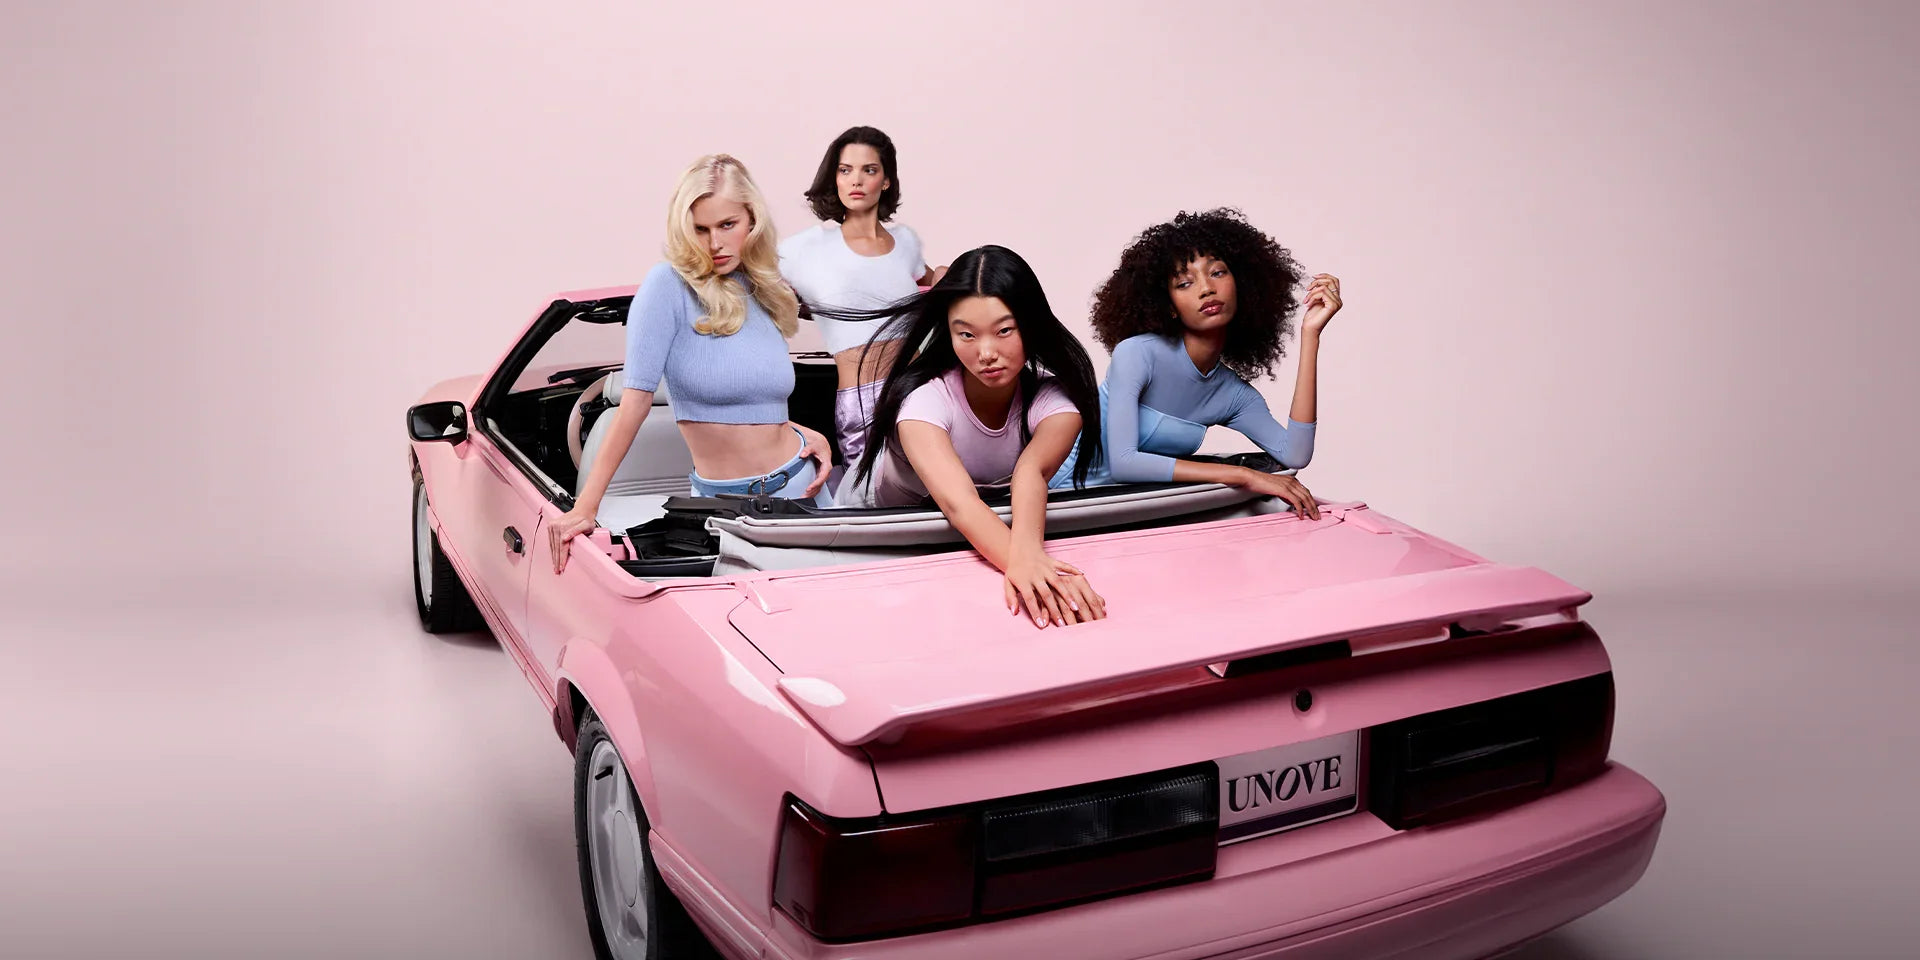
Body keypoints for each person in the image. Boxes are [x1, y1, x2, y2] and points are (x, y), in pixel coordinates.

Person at [548, 155, 833, 572]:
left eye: (727, 225)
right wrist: (585, 507)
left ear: (751, 220)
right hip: (724, 507)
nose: (714, 243)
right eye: (700, 229)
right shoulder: (666, 287)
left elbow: (758, 396)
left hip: (804, 486)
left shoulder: (764, 286)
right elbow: (634, 405)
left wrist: (804, 432)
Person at [832, 245, 1106, 628]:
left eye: (1004, 330)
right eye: (967, 334)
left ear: (1031, 324)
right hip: (867, 518)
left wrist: (1031, 560)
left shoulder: (1056, 400)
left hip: (955, 522)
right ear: (949, 332)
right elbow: (959, 503)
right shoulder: (924, 402)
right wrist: (1034, 571)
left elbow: (1031, 473)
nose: (987, 352)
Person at [1054, 208, 1343, 520]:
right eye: (1184, 283)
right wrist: (1240, 474)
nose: (1206, 288)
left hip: (1130, 510)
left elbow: (1295, 453)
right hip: (1060, 498)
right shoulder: (1137, 355)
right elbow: (1125, 462)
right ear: (1170, 307)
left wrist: (1310, 334)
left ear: (1242, 286)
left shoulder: (1232, 395)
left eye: (1217, 272)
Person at [779, 126, 947, 467]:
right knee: (871, 501)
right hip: (861, 400)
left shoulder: (905, 243)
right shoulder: (806, 249)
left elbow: (938, 281)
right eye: (845, 170)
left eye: (868, 170)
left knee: (936, 495)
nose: (856, 180)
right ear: (835, 178)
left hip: (917, 389)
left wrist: (945, 273)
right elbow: (754, 285)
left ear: (885, 181)